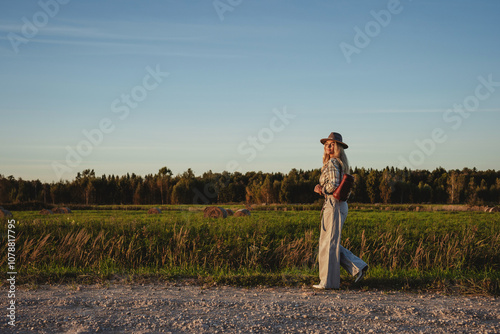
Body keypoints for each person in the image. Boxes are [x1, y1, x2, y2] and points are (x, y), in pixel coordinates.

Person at [313, 132, 368, 289]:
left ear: (337, 147)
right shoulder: (340, 163)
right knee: (329, 242)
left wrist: (320, 189)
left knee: (328, 243)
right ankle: (358, 267)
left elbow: (333, 186)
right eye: (326, 144)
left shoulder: (332, 163)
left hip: (334, 204)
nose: (328, 146)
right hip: (337, 204)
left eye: (332, 144)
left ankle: (327, 283)